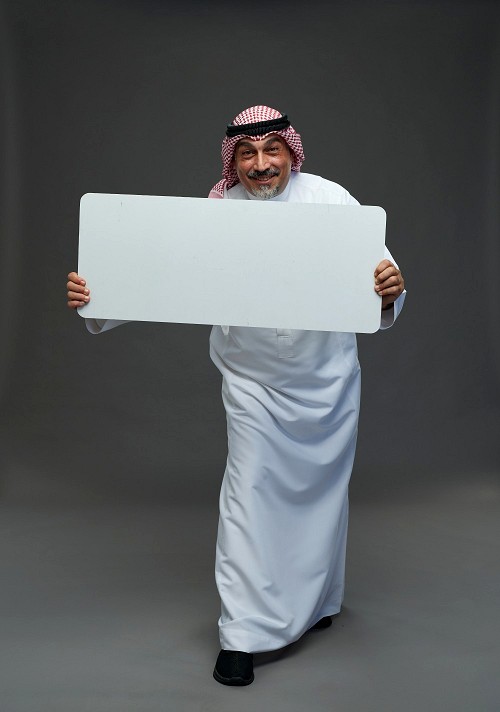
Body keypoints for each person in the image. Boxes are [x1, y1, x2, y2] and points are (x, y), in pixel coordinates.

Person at [67, 105, 405, 687]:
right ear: (234, 161)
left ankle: (318, 603)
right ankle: (242, 635)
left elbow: (381, 276)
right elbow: (163, 274)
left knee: (324, 499)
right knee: (248, 498)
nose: (260, 163)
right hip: (252, 383)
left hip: (326, 384)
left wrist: (390, 288)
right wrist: (96, 295)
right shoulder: (217, 212)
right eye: (247, 153)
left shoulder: (331, 200)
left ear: (291, 153)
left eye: (272, 149)